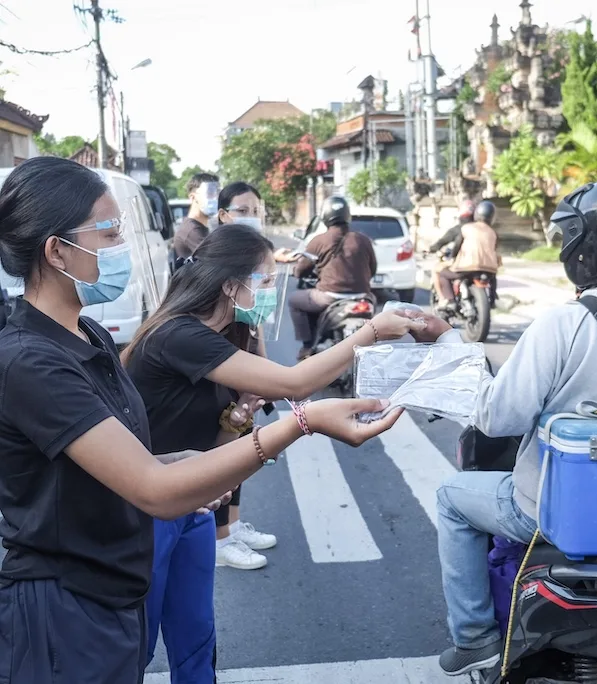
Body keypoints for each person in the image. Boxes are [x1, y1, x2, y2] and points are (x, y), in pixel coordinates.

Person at [0, 156, 413, 684]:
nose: (123, 248)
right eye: (109, 235)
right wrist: (301, 423)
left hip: (112, 586)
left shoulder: (91, 337)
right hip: (63, 605)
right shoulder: (32, 360)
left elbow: (124, 458)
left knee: (192, 640)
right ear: (57, 250)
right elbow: (154, 490)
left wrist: (185, 458)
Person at [418, 178, 597, 677]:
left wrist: (452, 347)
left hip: (557, 513)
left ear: (587, 248)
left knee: (451, 497)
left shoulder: (564, 324)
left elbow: (496, 417)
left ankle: (475, 637)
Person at [121, 224, 424, 683]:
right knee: (137, 644)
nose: (269, 291)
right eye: (263, 280)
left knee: (195, 633)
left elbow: (220, 443)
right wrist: (372, 330)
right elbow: (295, 385)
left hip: (194, 504)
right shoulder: (179, 336)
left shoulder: (227, 337)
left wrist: (236, 422)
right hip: (149, 508)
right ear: (229, 284)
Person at [211, 181, 277, 570]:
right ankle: (220, 540)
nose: (251, 218)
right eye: (242, 210)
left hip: (243, 371)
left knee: (239, 447)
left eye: (256, 210)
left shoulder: (253, 257)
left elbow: (256, 325)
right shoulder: (216, 260)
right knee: (223, 452)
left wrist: (265, 371)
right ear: (222, 215)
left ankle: (232, 529)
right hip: (222, 369)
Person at [289, 195, 377, 359]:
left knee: (294, 300)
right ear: (347, 215)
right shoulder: (363, 240)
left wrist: (296, 271)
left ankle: (307, 346)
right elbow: (373, 269)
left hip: (329, 297)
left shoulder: (319, 241)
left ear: (325, 217)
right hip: (362, 297)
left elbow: (301, 270)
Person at [436, 200, 500, 311]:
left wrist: (452, 256)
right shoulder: (493, 233)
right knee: (493, 277)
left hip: (466, 267)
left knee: (441, 274)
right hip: (490, 269)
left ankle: (450, 300)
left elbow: (457, 246)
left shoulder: (466, 228)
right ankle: (493, 299)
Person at [427, 200, 475, 302]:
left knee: (437, 270)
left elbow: (443, 242)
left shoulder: (460, 229)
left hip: (463, 265)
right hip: (482, 265)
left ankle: (445, 299)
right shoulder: (480, 229)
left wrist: (431, 249)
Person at [173, 172, 220, 260]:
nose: (215, 198)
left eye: (217, 193)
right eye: (210, 193)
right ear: (193, 197)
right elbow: (217, 260)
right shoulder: (192, 230)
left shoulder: (200, 227)